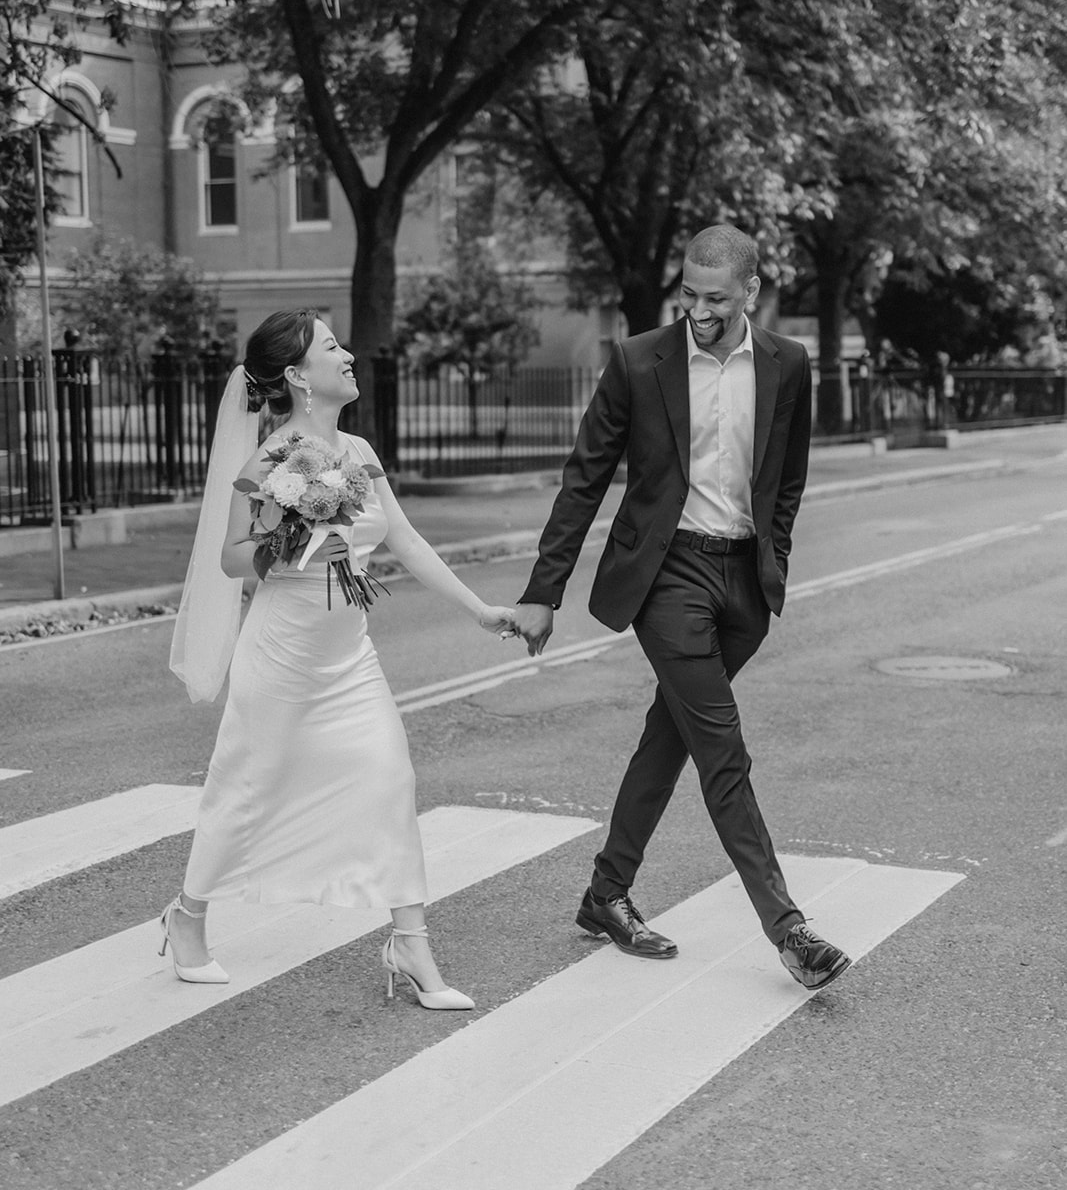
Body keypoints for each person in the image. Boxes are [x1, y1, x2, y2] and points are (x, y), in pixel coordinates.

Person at [511, 225, 850, 990]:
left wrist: (776, 558)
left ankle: (605, 893)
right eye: (688, 294)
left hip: (742, 585)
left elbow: (786, 478)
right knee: (721, 749)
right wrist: (543, 592)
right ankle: (788, 929)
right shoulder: (638, 360)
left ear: (751, 293)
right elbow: (584, 477)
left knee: (671, 735)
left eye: (716, 298)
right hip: (666, 577)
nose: (699, 310)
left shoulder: (786, 364)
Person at [165, 309, 517, 1010]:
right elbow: (232, 558)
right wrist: (293, 546)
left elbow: (406, 541)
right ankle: (187, 917)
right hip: (283, 651)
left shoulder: (356, 448)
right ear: (298, 376)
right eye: (333, 347)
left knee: (389, 774)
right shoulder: (268, 460)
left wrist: (480, 610)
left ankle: (410, 943)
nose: (349, 354)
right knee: (246, 785)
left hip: (348, 652)